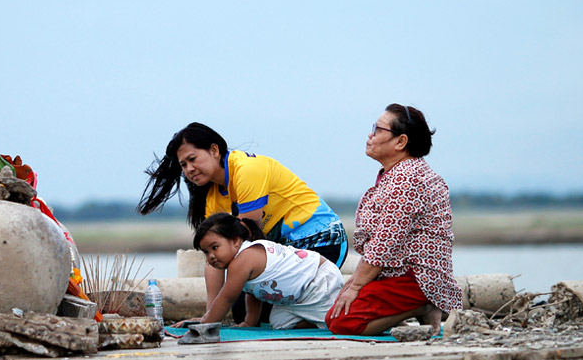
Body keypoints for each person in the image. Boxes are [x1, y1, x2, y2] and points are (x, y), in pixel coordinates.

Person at [138, 123, 348, 320]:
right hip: (286, 254)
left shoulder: (247, 169)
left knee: (257, 311)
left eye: (193, 159)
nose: (189, 169)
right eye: (183, 165)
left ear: (214, 150)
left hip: (322, 241)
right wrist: (210, 316)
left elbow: (248, 238)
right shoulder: (213, 197)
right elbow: (215, 254)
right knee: (240, 312)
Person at [326, 104, 462, 336]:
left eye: (377, 130)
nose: (371, 135)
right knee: (336, 314)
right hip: (399, 273)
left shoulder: (406, 179)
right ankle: (414, 309)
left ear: (400, 142)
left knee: (343, 322)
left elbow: (385, 243)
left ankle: (423, 304)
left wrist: (357, 285)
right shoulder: (400, 173)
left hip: (416, 276)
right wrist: (356, 281)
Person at [179, 213, 345, 329]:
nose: (211, 256)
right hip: (296, 300)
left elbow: (227, 298)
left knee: (338, 322)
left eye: (215, 247)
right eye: (206, 252)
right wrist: (250, 321)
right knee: (278, 323)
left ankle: (327, 316)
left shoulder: (244, 258)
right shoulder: (239, 261)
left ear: (236, 241)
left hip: (318, 281)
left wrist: (206, 324)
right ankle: (315, 320)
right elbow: (254, 292)